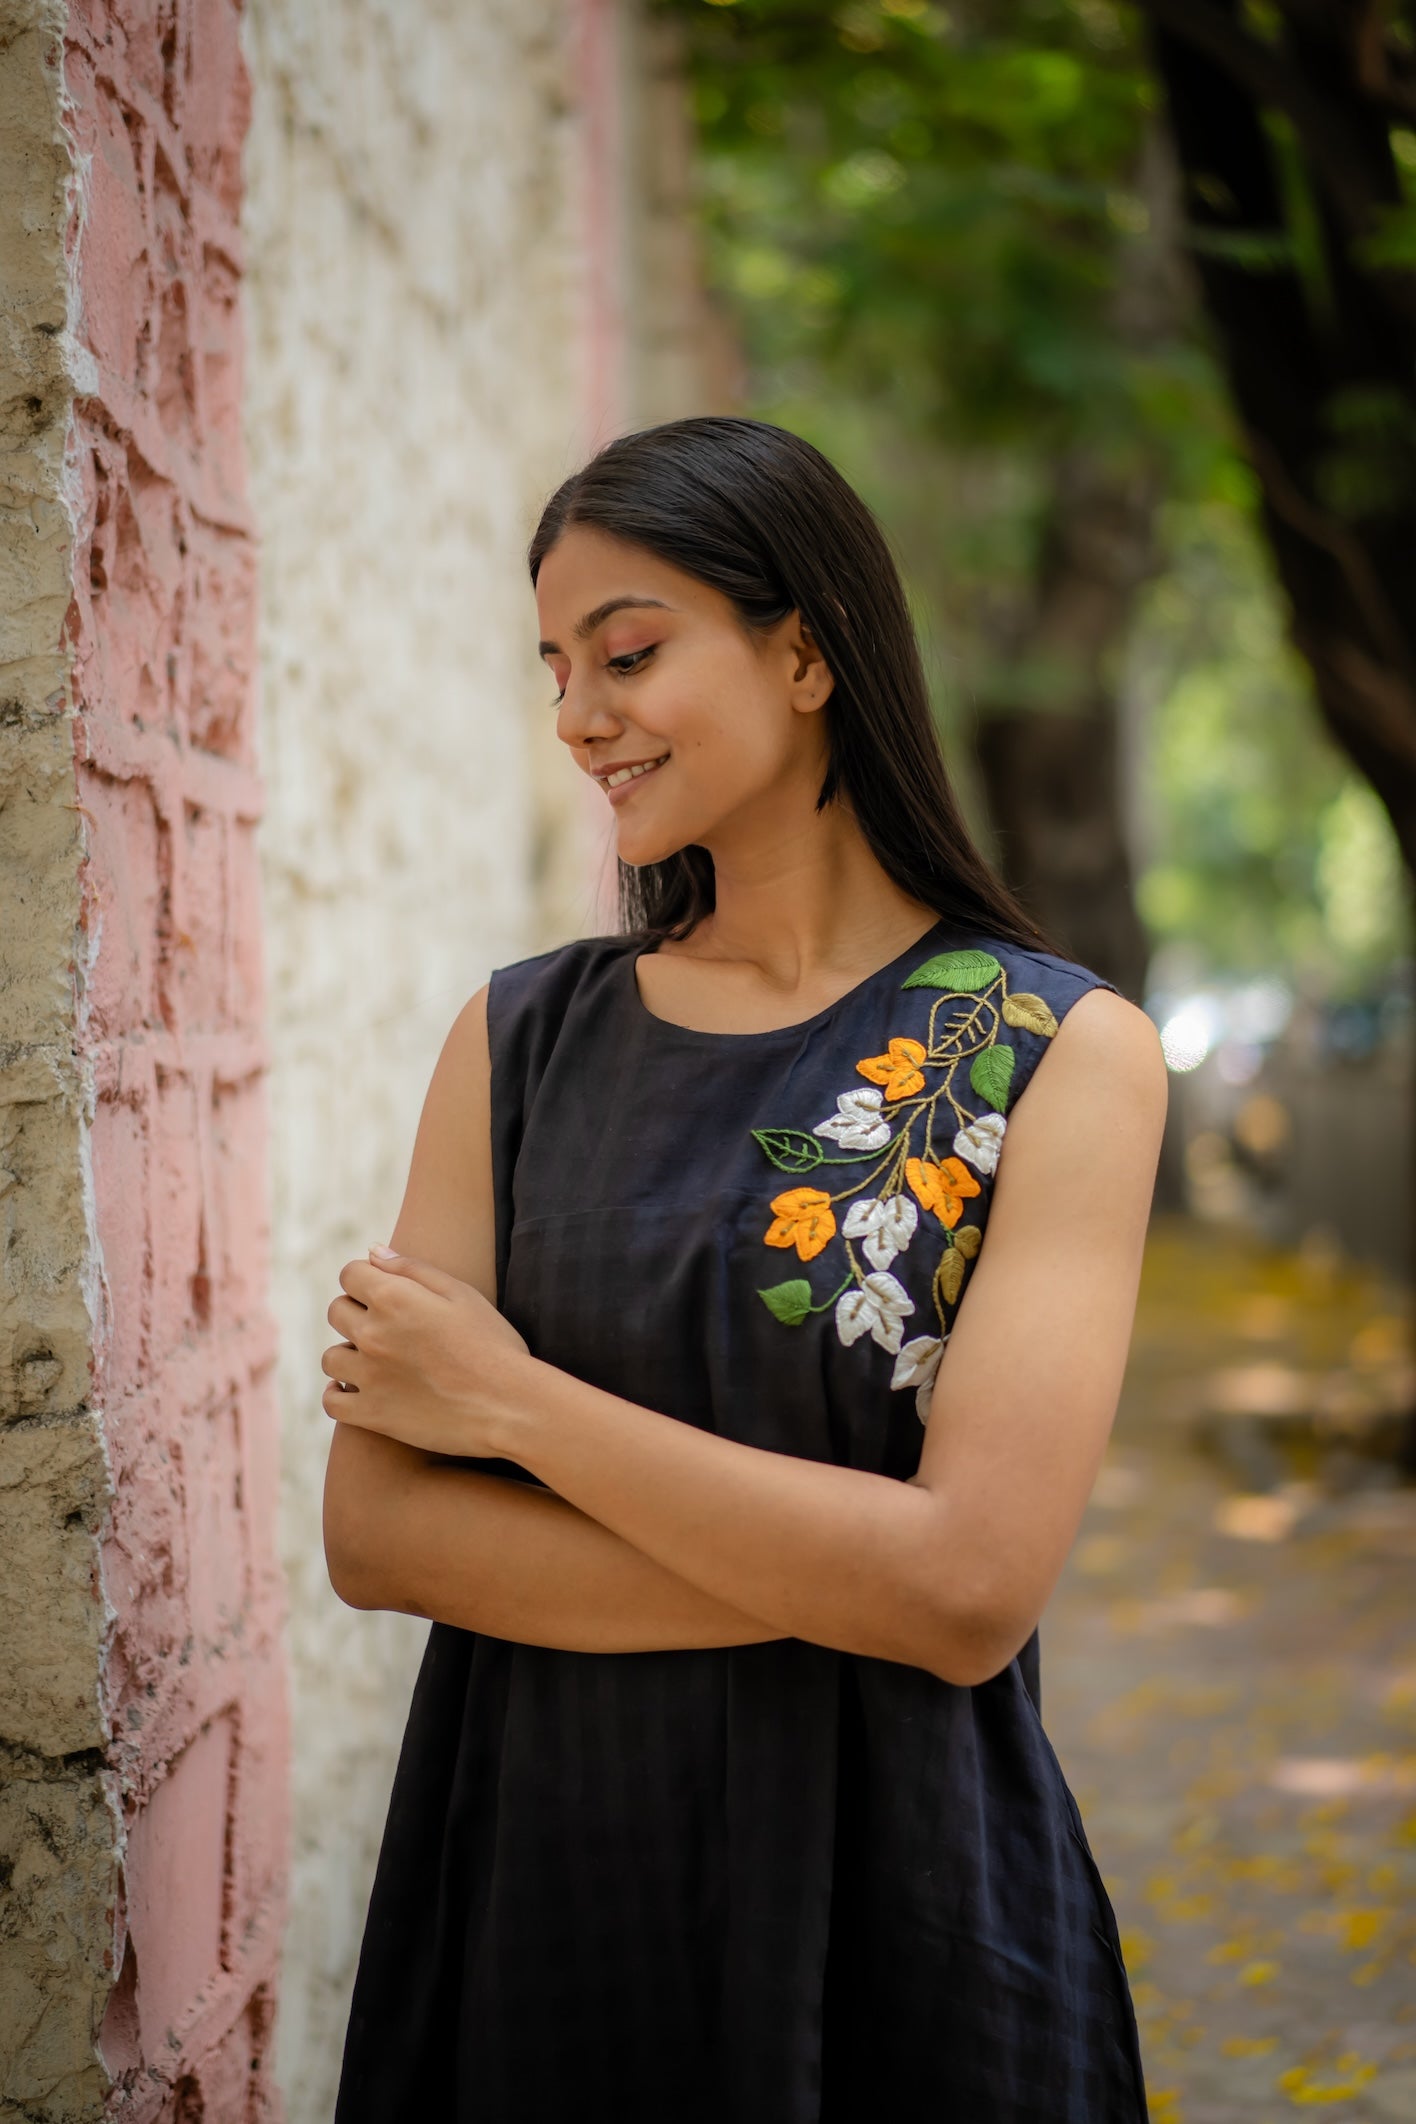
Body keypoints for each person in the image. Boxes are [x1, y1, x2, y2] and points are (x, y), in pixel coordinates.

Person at [322, 416, 1166, 2122]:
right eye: (557, 668)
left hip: (908, 1914)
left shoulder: (1055, 1050)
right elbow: (380, 1535)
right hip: (549, 1895)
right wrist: (866, 1576)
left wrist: (512, 1406)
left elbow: (973, 1592)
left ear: (805, 650)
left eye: (628, 652)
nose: (578, 715)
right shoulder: (520, 1040)